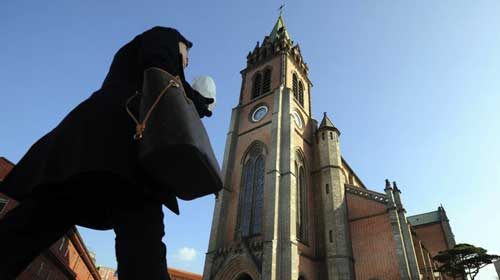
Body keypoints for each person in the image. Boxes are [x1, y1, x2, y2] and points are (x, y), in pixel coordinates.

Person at [0, 26, 213, 280]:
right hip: (128, 149)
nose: (185, 64)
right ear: (181, 44)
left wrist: (194, 101)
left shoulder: (134, 60)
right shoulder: (164, 36)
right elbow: (161, 73)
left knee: (31, 226)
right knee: (144, 253)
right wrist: (196, 99)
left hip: (88, 150)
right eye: (186, 58)